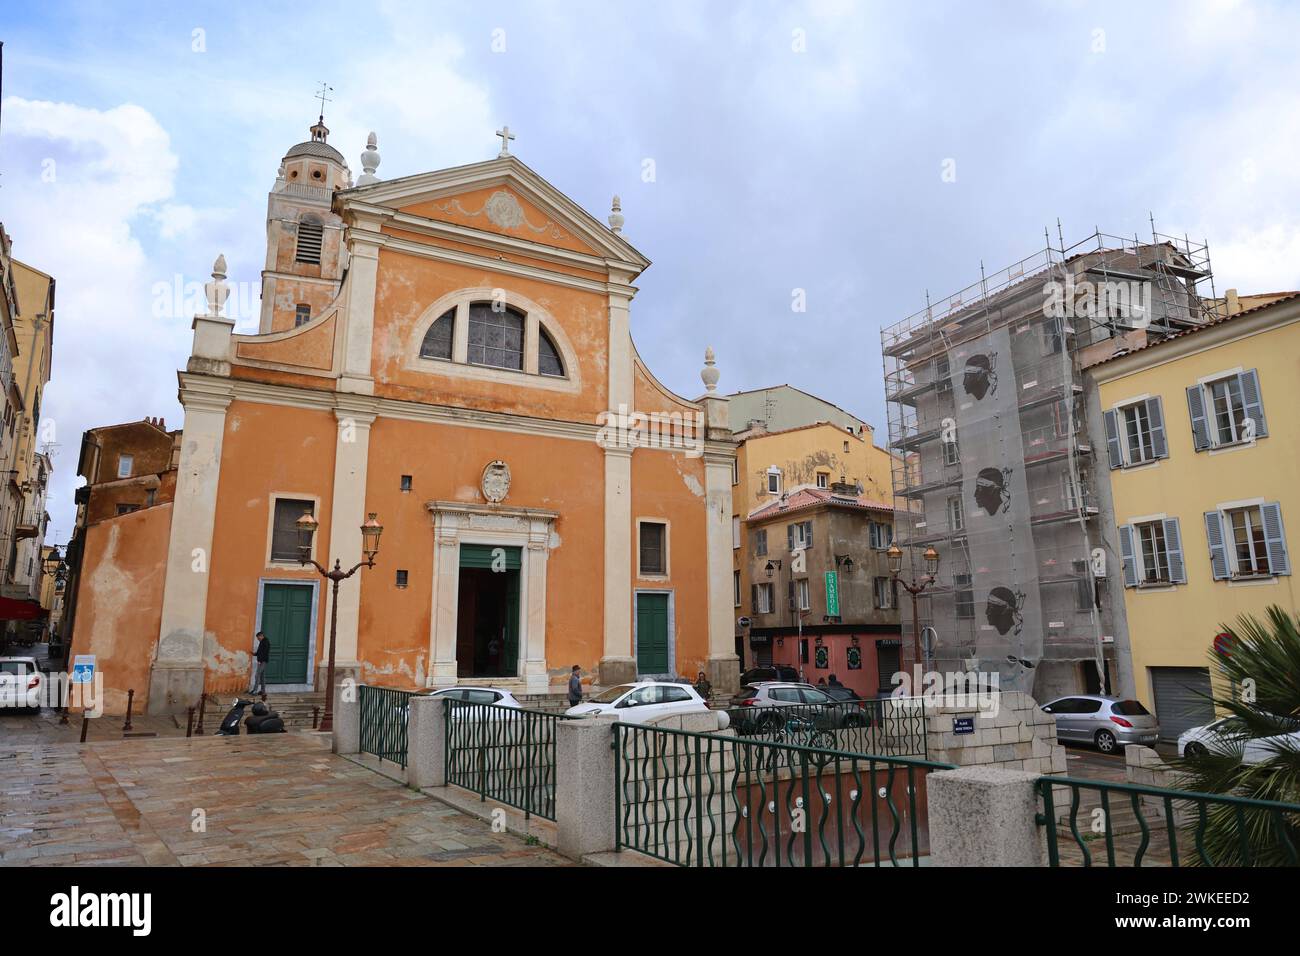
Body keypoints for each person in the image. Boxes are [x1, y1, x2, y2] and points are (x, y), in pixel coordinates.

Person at [250, 631, 271, 697]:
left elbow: (265, 652)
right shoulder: (262, 642)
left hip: (263, 661)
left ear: (261, 636)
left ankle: (255, 690)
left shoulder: (265, 642)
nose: (258, 639)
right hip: (262, 661)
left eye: (258, 638)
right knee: (262, 677)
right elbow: (260, 651)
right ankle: (263, 691)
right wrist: (254, 654)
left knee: (257, 675)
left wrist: (260, 660)